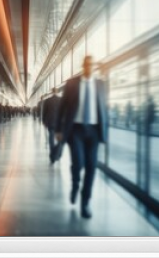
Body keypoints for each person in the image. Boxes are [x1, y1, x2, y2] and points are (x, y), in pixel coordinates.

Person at [55, 55, 108, 219]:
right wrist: (58, 130)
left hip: (93, 131)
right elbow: (62, 108)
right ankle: (75, 185)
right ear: (83, 66)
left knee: (92, 167)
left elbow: (104, 108)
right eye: (86, 65)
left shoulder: (101, 84)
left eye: (92, 65)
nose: (89, 67)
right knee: (78, 163)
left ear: (94, 67)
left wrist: (104, 132)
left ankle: (85, 202)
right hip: (75, 130)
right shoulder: (72, 84)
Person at [42, 87, 61, 163]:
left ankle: (52, 153)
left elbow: (44, 112)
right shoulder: (61, 100)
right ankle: (57, 153)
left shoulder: (47, 101)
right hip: (59, 123)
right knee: (60, 139)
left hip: (51, 122)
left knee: (51, 137)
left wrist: (44, 121)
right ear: (57, 91)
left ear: (51, 92)